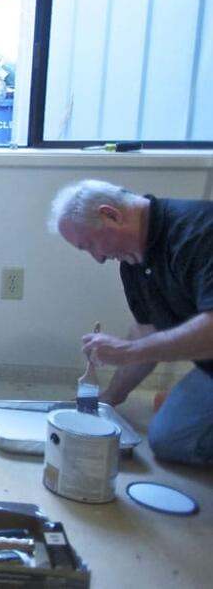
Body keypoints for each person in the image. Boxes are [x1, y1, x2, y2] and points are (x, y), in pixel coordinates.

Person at [50, 179, 213, 465]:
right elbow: (145, 333)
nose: (98, 258)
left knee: (177, 438)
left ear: (111, 215)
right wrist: (107, 401)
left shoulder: (199, 233)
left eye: (90, 244)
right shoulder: (133, 263)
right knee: (167, 439)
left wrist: (129, 351)